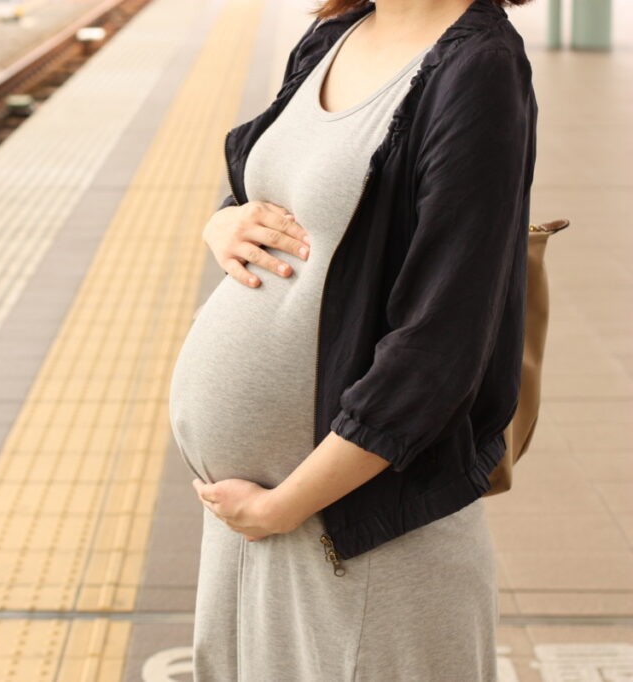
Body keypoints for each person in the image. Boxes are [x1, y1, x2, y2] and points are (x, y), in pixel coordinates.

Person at [167, 0, 537, 679]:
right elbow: (289, 185)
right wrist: (224, 223)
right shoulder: (335, 31)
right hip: (254, 528)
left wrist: (287, 505)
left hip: (360, 535)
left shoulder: (479, 68)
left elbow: (440, 344)